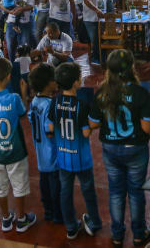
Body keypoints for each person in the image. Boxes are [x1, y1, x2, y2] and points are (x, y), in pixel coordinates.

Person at [89, 49, 150, 246]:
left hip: (111, 147)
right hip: (135, 148)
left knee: (116, 191)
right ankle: (138, 232)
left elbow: (92, 124)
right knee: (136, 192)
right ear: (132, 68)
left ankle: (117, 234)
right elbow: (147, 127)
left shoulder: (102, 92)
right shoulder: (140, 92)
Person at [47, 62, 102, 239]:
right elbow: (86, 132)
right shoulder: (82, 105)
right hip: (82, 159)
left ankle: (70, 226)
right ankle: (94, 222)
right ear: (76, 83)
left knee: (65, 191)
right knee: (88, 190)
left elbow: (49, 128)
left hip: (63, 157)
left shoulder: (54, 102)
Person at [0, 57, 37, 233]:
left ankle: (6, 218)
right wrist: (23, 93)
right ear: (8, 77)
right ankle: (21, 219)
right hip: (15, 150)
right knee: (19, 185)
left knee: (0, 185)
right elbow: (22, 113)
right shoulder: (13, 98)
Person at [27, 63, 63, 224]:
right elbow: (49, 128)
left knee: (44, 179)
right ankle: (57, 213)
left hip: (39, 148)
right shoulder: (50, 104)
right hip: (51, 149)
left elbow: (30, 118)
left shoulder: (35, 101)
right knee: (55, 182)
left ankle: (48, 210)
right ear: (48, 83)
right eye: (54, 80)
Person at [81, 0, 117, 65]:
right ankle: (95, 58)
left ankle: (103, 56)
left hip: (102, 17)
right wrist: (97, 10)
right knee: (95, 39)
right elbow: (86, 0)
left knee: (102, 38)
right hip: (90, 18)